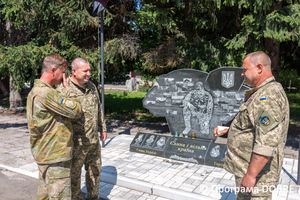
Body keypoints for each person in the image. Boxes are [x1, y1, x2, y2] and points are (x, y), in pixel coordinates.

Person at [214, 51, 289, 199]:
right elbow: (253, 124)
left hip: (257, 176)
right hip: (246, 168)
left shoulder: (268, 97)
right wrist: (229, 129)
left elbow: (266, 143)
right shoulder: (261, 92)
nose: (242, 73)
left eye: (245, 69)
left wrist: (251, 175)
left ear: (259, 68)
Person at [26, 53, 82, 200]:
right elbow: (76, 110)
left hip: (44, 154)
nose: (65, 77)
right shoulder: (47, 94)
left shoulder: (34, 91)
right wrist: (68, 89)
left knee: (44, 196)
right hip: (56, 157)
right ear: (53, 70)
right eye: (63, 72)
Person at [57, 58, 107, 200]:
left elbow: (98, 108)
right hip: (75, 143)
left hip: (93, 141)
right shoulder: (63, 89)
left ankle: (93, 197)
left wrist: (102, 127)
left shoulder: (91, 86)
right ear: (74, 71)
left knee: (95, 172)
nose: (89, 73)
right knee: (74, 176)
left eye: (90, 70)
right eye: (85, 71)